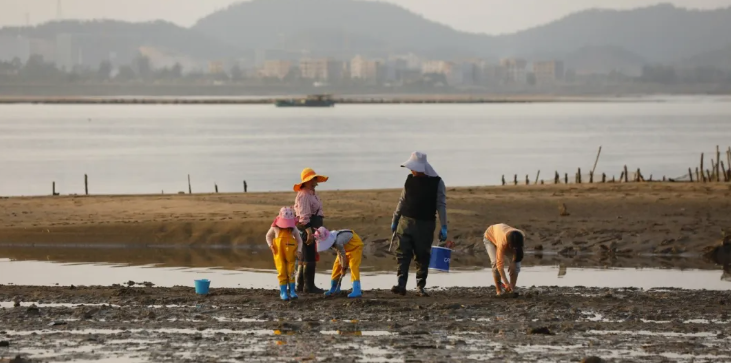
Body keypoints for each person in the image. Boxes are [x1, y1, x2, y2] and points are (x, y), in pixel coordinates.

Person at [390, 151, 447, 297]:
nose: (411, 170)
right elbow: (402, 201)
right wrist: (395, 220)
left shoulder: (437, 183)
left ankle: (420, 286)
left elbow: (441, 205)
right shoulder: (409, 180)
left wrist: (444, 225)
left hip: (426, 225)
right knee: (402, 254)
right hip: (405, 222)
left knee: (422, 255)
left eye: (413, 168)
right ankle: (401, 285)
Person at [293, 168, 328, 294]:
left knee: (305, 256)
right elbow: (303, 216)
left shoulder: (311, 192)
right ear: (308, 181)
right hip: (307, 228)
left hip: (312, 227)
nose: (315, 181)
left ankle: (300, 285)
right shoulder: (304, 195)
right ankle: (308, 286)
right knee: (309, 257)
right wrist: (309, 232)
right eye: (313, 178)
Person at [313, 227, 364, 298]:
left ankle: (357, 290)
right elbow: (340, 254)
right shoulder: (333, 241)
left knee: (353, 266)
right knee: (336, 266)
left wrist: (344, 268)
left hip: (355, 247)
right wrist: (342, 266)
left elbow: (342, 254)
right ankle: (334, 288)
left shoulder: (338, 241)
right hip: (344, 249)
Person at [265, 207, 303, 301]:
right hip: (278, 251)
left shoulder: (293, 228)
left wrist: (299, 250)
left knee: (291, 271)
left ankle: (292, 291)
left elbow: (299, 240)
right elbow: (268, 236)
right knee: (282, 270)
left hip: (291, 251)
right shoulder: (275, 227)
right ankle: (283, 292)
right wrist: (271, 246)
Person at [484, 223, 525, 295]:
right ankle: (499, 290)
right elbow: (499, 264)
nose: (513, 249)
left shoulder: (521, 235)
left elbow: (518, 251)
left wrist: (513, 262)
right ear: (509, 244)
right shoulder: (502, 243)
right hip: (490, 237)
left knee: (516, 265)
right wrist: (506, 282)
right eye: (512, 247)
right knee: (495, 264)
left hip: (504, 237)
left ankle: (511, 288)